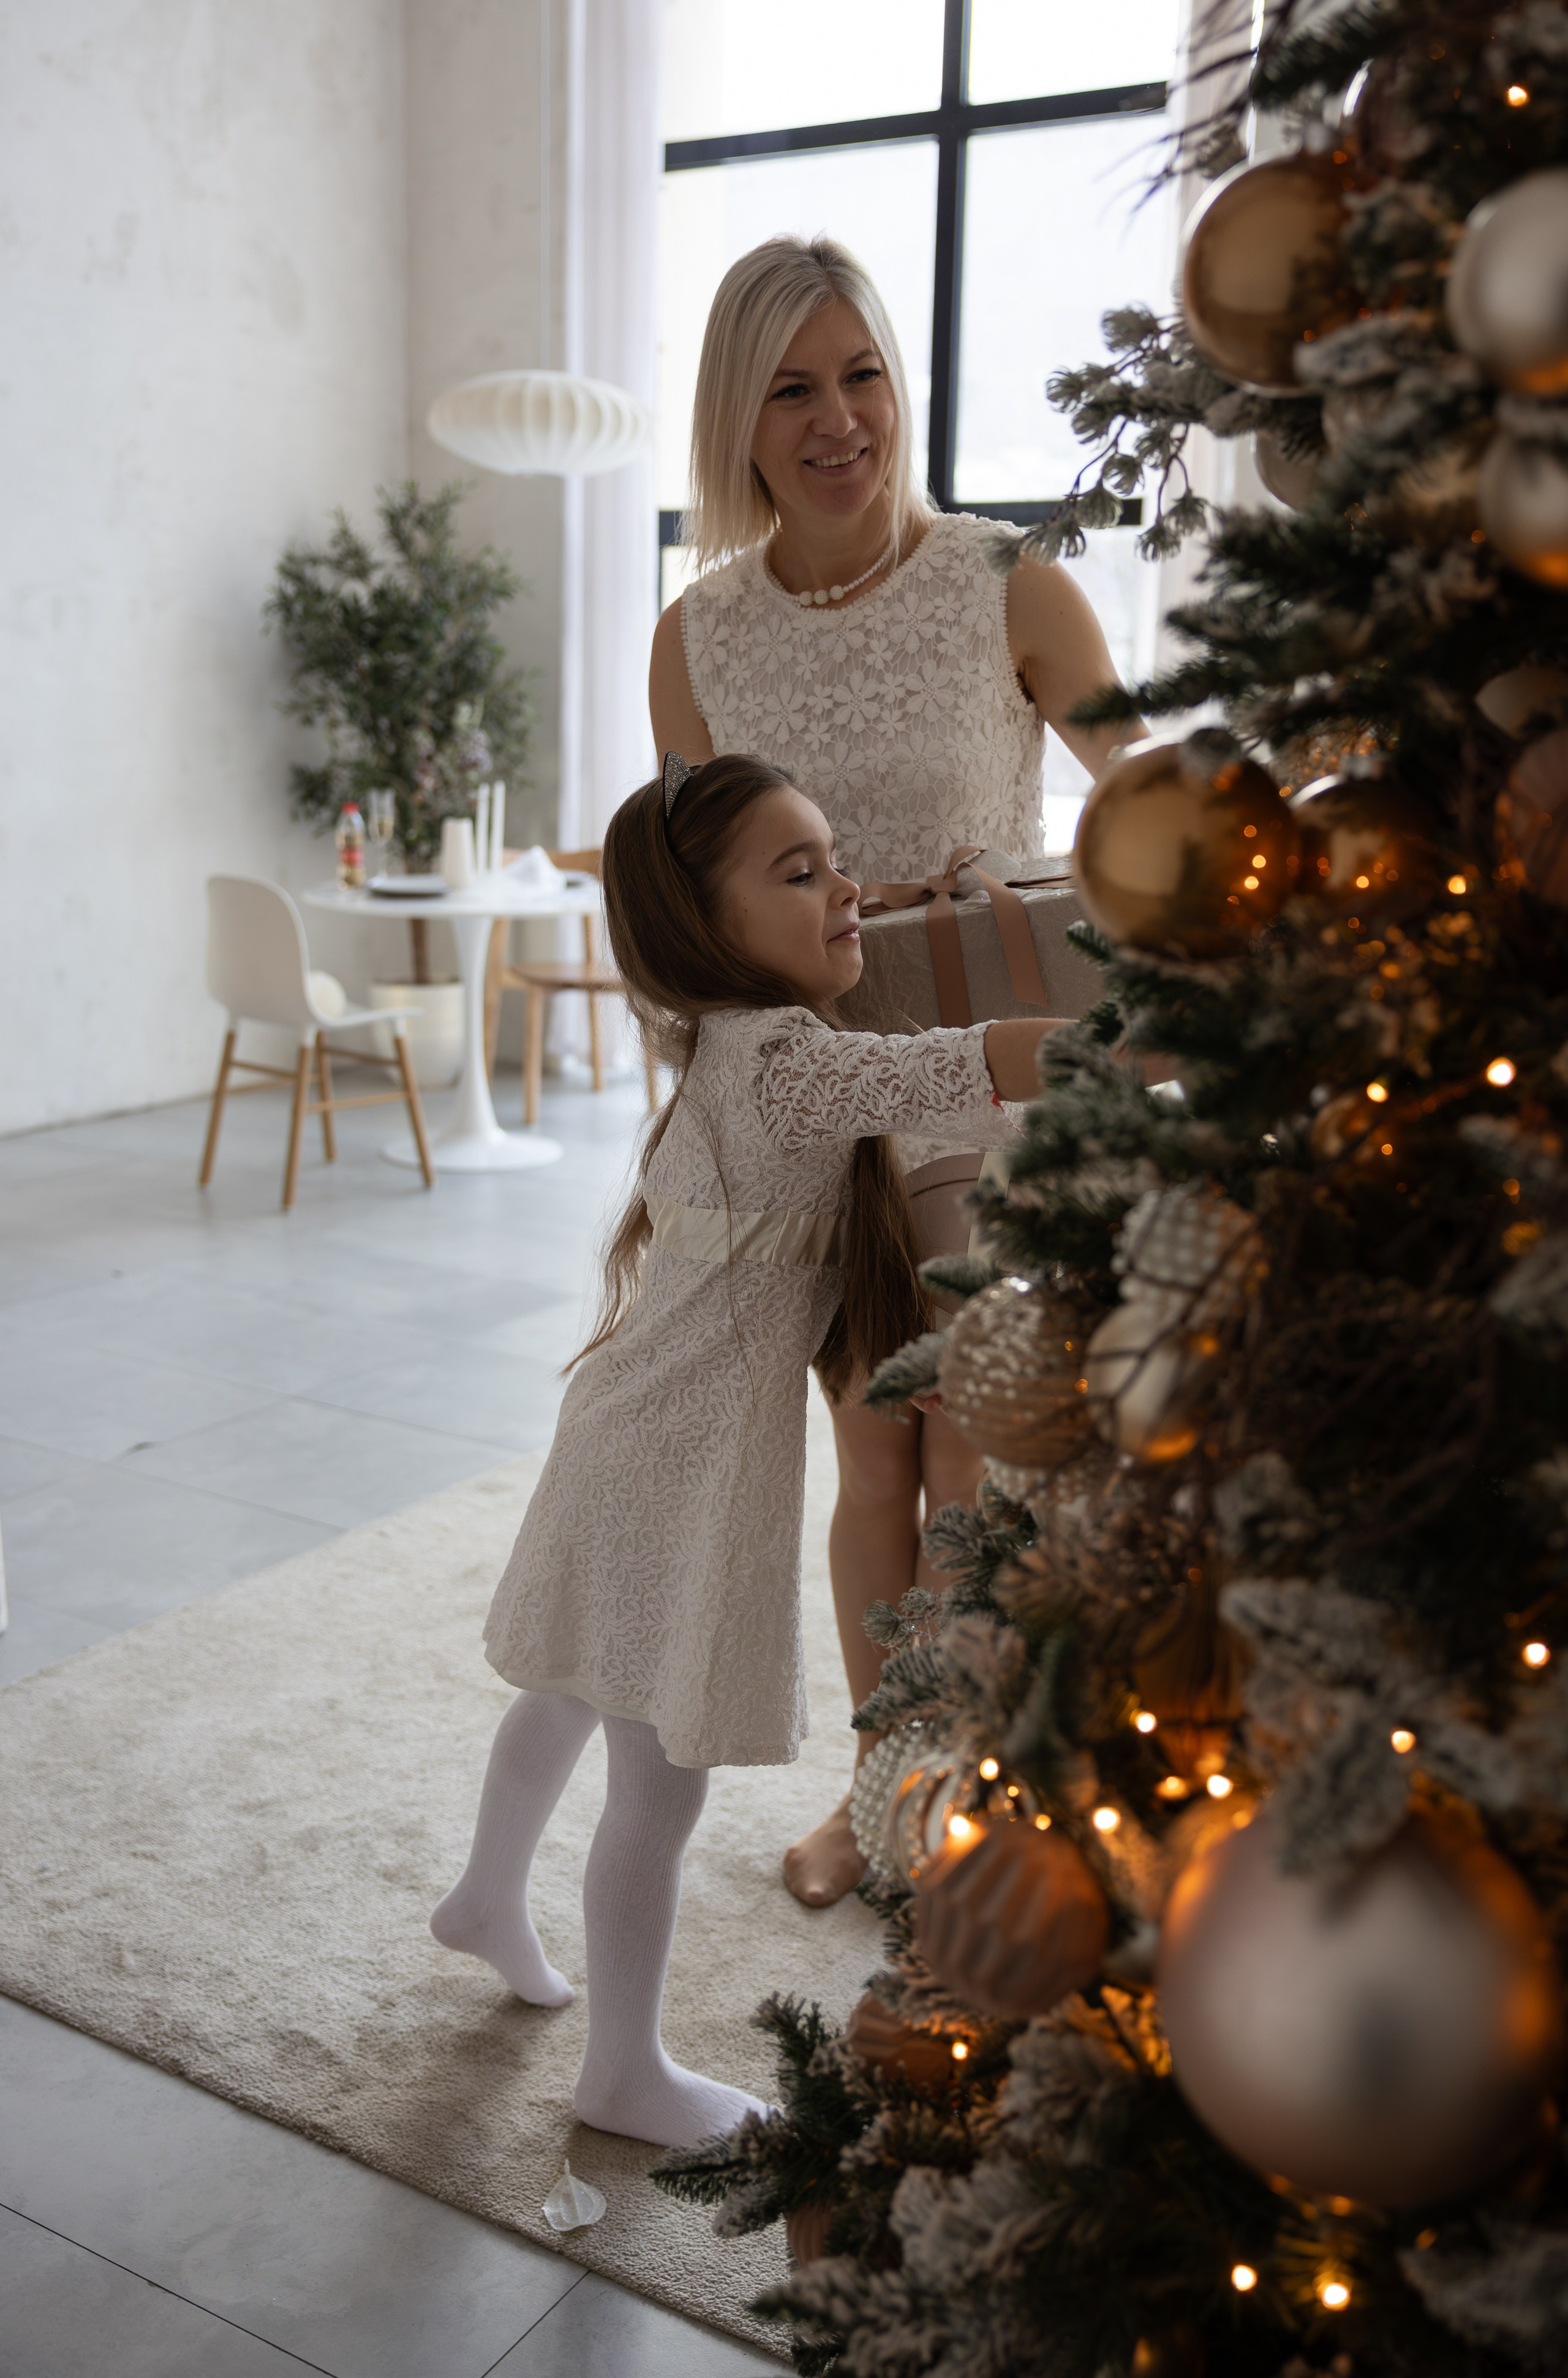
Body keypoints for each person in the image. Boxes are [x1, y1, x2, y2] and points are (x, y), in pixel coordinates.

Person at [429, 751, 1066, 2150]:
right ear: (709, 930)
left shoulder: (720, 1038)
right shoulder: (789, 1068)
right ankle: (623, 2070)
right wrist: (1107, 1036)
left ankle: (484, 1892)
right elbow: (954, 1058)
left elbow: (872, 1009)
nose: (841, 888)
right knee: (658, 1778)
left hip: (625, 1430)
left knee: (569, 1683)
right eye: (800, 874)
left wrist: (854, 907)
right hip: (682, 1465)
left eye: (832, 860)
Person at [649, 233, 1141, 1906]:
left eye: (861, 374)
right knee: (872, 1454)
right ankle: (877, 1795)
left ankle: (971, 1795)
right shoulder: (696, 641)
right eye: (791, 386)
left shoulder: (1013, 582)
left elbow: (1150, 814)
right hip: (822, 1108)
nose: (836, 417)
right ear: (742, 415)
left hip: (999, 1079)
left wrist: (1049, 882)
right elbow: (689, 914)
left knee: (975, 1454)